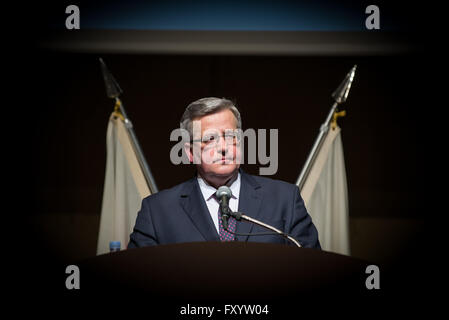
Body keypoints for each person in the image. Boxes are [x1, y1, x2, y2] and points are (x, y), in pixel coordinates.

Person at [128, 97, 320, 248]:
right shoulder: (157, 211)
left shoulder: (285, 199)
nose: (223, 148)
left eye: (231, 136)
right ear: (190, 152)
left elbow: (312, 267)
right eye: (210, 139)